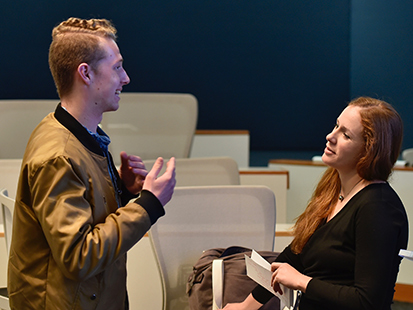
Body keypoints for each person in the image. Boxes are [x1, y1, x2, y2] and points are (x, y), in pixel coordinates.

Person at [7, 17, 176, 310]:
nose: (126, 78)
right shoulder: (58, 155)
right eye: (117, 67)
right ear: (85, 73)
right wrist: (148, 204)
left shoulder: (82, 134)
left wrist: (121, 191)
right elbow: (79, 257)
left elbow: (86, 215)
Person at [221, 97, 408, 310]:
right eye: (336, 126)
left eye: (345, 134)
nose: (330, 136)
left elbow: (367, 301)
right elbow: (294, 257)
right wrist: (246, 306)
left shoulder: (378, 208)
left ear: (369, 152)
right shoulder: (334, 190)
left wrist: (301, 281)